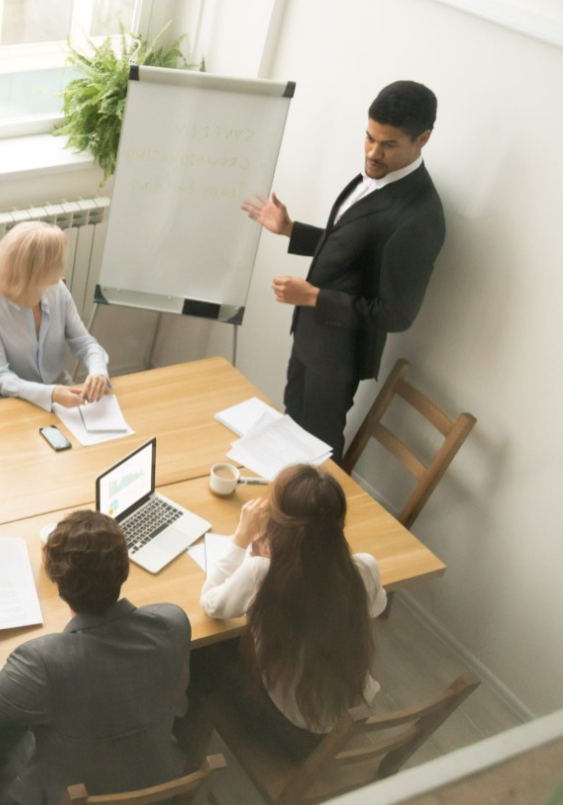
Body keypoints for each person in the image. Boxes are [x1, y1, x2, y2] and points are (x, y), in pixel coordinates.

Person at [0, 510, 190, 804]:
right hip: (151, 772)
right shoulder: (173, 621)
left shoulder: (43, 661)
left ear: (55, 580)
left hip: (59, 791)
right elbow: (178, 701)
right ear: (124, 569)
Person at [241, 80, 445, 455]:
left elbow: (396, 314)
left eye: (388, 145)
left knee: (315, 450)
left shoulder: (421, 217)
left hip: (340, 356)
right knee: (288, 432)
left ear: (423, 139)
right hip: (310, 338)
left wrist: (315, 296)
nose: (372, 152)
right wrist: (290, 229)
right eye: (369, 138)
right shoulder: (375, 173)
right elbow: (354, 247)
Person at [194, 464, 387, 761]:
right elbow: (376, 606)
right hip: (338, 718)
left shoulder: (262, 573)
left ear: (277, 521)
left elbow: (210, 602)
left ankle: (188, 736)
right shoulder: (364, 568)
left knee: (201, 652)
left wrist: (242, 536)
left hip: (288, 737)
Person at [0, 222, 110, 410]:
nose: (62, 269)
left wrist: (98, 372)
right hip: (11, 401)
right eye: (57, 263)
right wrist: (50, 394)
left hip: (61, 393)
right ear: (36, 271)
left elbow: (85, 343)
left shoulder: (57, 290)